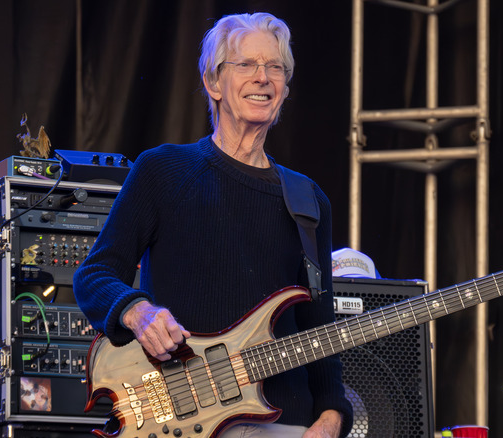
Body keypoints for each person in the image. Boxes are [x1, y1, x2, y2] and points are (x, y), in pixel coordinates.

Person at [73, 12, 353, 438]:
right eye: (246, 65)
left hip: (283, 424)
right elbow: (94, 275)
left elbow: (321, 329)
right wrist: (139, 312)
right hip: (179, 419)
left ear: (285, 87)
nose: (262, 77)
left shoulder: (308, 200)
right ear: (213, 83)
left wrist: (332, 418)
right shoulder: (163, 171)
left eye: (274, 67)